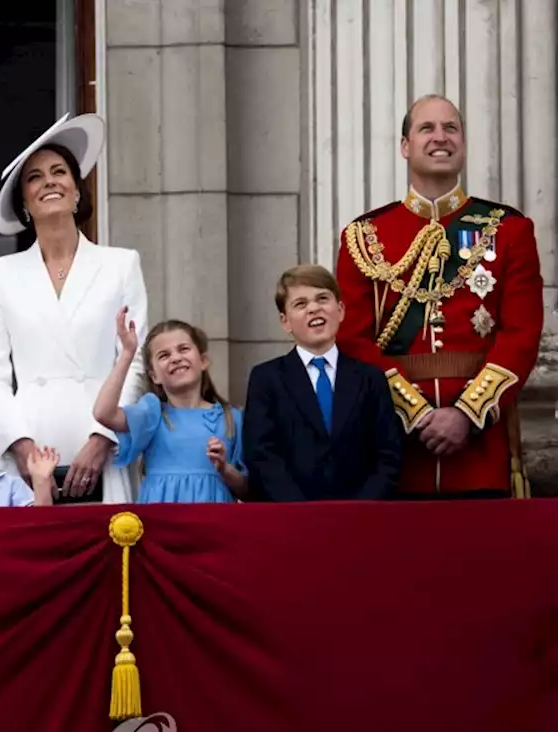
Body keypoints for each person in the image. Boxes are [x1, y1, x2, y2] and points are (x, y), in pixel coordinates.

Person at [335, 94, 544, 499]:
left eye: (451, 128)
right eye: (426, 128)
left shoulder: (509, 231)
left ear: (463, 143)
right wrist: (414, 412)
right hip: (394, 448)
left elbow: (521, 334)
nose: (440, 138)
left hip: (479, 448)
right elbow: (352, 339)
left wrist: (467, 414)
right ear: (405, 146)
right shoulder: (364, 236)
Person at [0, 112, 149, 504]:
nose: (49, 181)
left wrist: (103, 438)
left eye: (59, 172)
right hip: (30, 446)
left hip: (102, 444)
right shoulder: (0, 273)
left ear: (76, 191)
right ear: (24, 202)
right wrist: (19, 444)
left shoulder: (121, 264)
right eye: (35, 177)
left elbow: (134, 362)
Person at [242, 265, 403, 502]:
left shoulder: (370, 378)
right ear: (285, 322)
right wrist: (301, 511)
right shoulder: (266, 379)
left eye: (322, 299)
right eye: (301, 304)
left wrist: (360, 507)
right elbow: (261, 453)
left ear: (340, 310)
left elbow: (388, 454)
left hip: (361, 517)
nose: (314, 308)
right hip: (292, 519)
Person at [93, 313, 246, 503]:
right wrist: (127, 354)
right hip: (161, 524)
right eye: (164, 355)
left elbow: (247, 490)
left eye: (183, 349)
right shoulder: (152, 413)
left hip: (214, 524)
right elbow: (103, 413)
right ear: (154, 376)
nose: (176, 358)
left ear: (203, 360)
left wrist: (225, 469)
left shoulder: (231, 418)